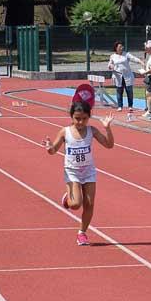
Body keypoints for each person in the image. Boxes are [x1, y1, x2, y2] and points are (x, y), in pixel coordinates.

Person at [44, 102, 115, 246]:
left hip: (88, 171)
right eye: (77, 118)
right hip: (72, 171)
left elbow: (109, 145)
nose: (80, 122)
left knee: (89, 204)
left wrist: (107, 129)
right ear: (71, 117)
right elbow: (53, 150)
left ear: (89, 117)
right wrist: (49, 147)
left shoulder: (92, 131)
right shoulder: (65, 132)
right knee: (76, 204)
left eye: (84, 118)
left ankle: (82, 233)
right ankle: (67, 200)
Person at [108, 40, 141, 113]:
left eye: (122, 46)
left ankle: (130, 106)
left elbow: (134, 58)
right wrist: (111, 66)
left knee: (129, 91)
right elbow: (110, 64)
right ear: (116, 48)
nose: (121, 48)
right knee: (119, 91)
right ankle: (120, 106)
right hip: (118, 76)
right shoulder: (113, 56)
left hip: (127, 76)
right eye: (119, 47)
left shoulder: (126, 54)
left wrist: (140, 62)